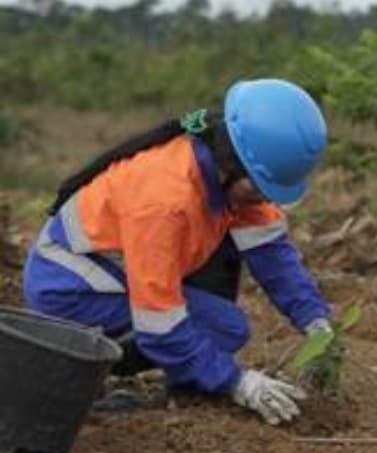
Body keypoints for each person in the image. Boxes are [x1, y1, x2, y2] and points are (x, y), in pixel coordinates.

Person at [22, 78, 336, 426]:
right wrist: (236, 381)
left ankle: (184, 375)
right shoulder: (165, 202)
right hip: (69, 290)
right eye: (261, 188)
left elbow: (271, 252)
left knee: (225, 323)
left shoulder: (225, 175)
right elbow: (159, 326)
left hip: (116, 272)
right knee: (222, 329)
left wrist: (315, 320)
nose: (266, 198)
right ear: (232, 165)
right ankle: (87, 369)